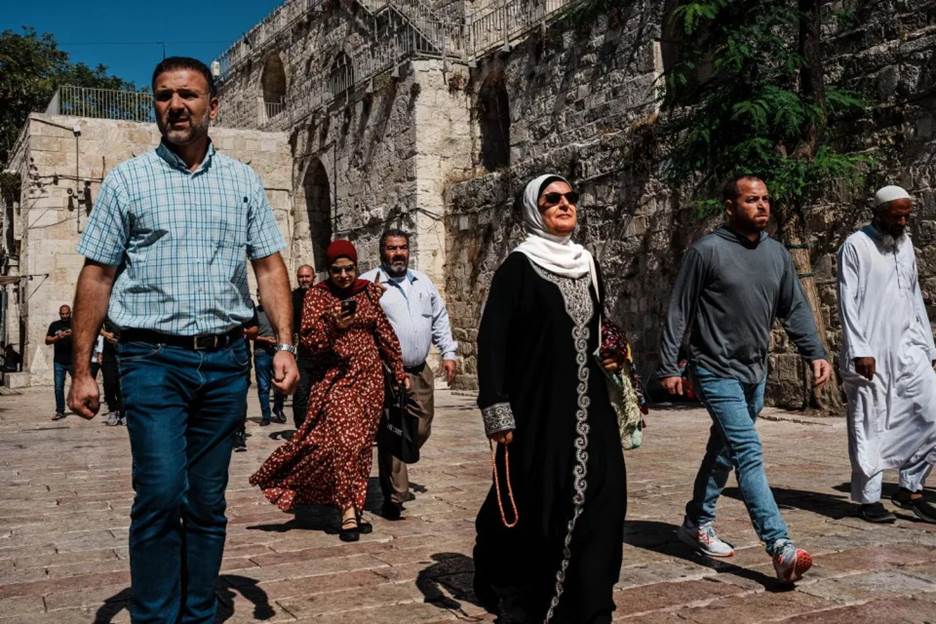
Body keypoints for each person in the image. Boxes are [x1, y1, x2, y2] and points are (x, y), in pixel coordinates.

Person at [66, 56, 298, 623]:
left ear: (212, 106)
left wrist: (285, 342)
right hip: (150, 358)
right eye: (165, 96)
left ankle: (196, 612)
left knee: (207, 500)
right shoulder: (128, 180)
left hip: (223, 360)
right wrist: (83, 368)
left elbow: (269, 267)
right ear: (155, 105)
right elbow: (96, 275)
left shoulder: (242, 181)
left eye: (189, 95)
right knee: (163, 491)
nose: (176, 105)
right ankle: (154, 614)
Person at [658, 175, 832, 583]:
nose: (762, 206)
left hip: (755, 370)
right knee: (748, 451)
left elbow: (795, 307)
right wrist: (668, 366)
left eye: (767, 199)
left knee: (724, 450)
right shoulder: (707, 251)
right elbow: (679, 311)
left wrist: (815, 352)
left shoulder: (777, 254)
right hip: (713, 368)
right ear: (730, 206)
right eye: (752, 199)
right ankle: (780, 547)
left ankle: (695, 521)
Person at [473, 175, 627, 623]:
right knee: (544, 503)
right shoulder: (518, 268)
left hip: (592, 406)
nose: (564, 205)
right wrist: (497, 411)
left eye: (570, 198)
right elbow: (493, 342)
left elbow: (600, 328)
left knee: (604, 497)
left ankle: (593, 600)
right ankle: (528, 589)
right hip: (539, 412)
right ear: (533, 210)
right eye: (552, 200)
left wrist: (616, 358)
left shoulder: (588, 262)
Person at [250, 240, 407, 542]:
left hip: (369, 381)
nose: (345, 275)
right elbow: (309, 344)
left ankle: (355, 507)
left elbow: (384, 333)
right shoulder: (317, 297)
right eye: (337, 270)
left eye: (349, 269)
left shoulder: (368, 293)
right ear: (329, 270)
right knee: (345, 444)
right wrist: (333, 326)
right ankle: (347, 510)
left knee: (361, 447)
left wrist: (398, 371)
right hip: (335, 379)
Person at [838, 184, 936, 524]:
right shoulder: (855, 246)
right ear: (878, 213)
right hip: (870, 352)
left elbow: (913, 295)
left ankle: (910, 487)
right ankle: (868, 498)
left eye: (907, 215)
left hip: (909, 347)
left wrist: (928, 344)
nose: (904, 221)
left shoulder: (906, 244)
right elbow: (847, 301)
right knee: (869, 424)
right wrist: (860, 349)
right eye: (898, 216)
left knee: (931, 413)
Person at [361, 229, 459, 520]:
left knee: (421, 426)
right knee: (396, 429)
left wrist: (449, 352)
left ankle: (398, 456)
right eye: (392, 248)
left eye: (402, 247)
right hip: (388, 372)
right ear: (382, 251)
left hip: (419, 371)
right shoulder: (369, 283)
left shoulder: (422, 282)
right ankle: (394, 496)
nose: (398, 253)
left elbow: (439, 317)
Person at [250, 297, 287, 426]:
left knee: (280, 383)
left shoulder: (279, 312)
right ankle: (266, 415)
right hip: (262, 353)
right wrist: (265, 339)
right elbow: (250, 334)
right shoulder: (254, 313)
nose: (261, 298)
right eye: (258, 295)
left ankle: (278, 408)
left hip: (278, 352)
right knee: (264, 386)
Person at [292, 264, 316, 428]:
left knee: (319, 393)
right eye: (301, 276)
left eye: (307, 276)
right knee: (301, 392)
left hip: (322, 352)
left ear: (313, 277)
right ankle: (300, 428)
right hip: (302, 352)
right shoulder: (292, 297)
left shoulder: (322, 294)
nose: (304, 279)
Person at [46, 304, 73, 420]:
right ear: (59, 313)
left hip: (74, 361)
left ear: (70, 313)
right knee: (58, 387)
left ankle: (82, 406)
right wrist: (59, 337)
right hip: (59, 361)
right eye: (63, 314)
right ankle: (60, 411)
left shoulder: (76, 323)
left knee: (79, 384)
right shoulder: (54, 325)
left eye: (67, 313)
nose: (65, 316)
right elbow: (47, 340)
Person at [99, 321, 124, 426]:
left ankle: (123, 413)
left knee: (122, 384)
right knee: (109, 382)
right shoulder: (105, 310)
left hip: (123, 349)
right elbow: (96, 326)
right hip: (108, 352)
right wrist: (106, 334)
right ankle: (112, 411)